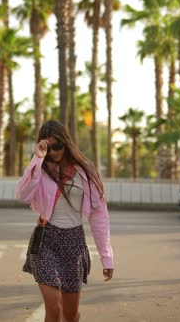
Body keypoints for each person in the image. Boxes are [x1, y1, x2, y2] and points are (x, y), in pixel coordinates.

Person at [15, 119, 114, 322]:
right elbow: (23, 196)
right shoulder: (40, 169)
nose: (53, 152)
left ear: (66, 143)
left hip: (73, 241)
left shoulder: (84, 172)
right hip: (45, 239)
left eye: (57, 146)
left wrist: (107, 256)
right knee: (53, 307)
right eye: (48, 147)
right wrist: (37, 159)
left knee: (70, 314)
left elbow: (99, 216)